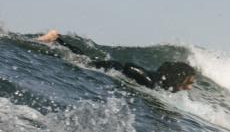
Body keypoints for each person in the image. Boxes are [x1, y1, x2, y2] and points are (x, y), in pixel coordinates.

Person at [37, 29, 197, 92]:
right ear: (178, 78)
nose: (189, 88)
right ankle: (56, 38)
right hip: (111, 67)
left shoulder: (162, 84)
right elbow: (130, 67)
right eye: (188, 82)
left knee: (82, 58)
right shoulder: (155, 82)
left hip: (112, 68)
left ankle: (57, 39)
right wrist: (147, 83)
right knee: (81, 60)